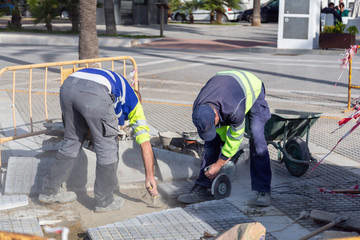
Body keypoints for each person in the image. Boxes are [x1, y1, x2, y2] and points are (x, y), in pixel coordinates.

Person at [38, 68, 158, 212]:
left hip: (68, 86)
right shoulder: (135, 105)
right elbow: (145, 144)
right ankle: (105, 202)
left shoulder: (119, 90)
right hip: (94, 92)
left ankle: (49, 192)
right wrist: (150, 177)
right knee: (107, 148)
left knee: (71, 142)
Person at [177, 70, 272, 207]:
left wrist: (219, 164)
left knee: (256, 137)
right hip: (224, 84)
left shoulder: (234, 110)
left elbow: (235, 138)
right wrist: (222, 156)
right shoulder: (198, 108)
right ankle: (202, 187)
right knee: (211, 143)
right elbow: (216, 133)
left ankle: (263, 190)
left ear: (216, 116)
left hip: (252, 88)